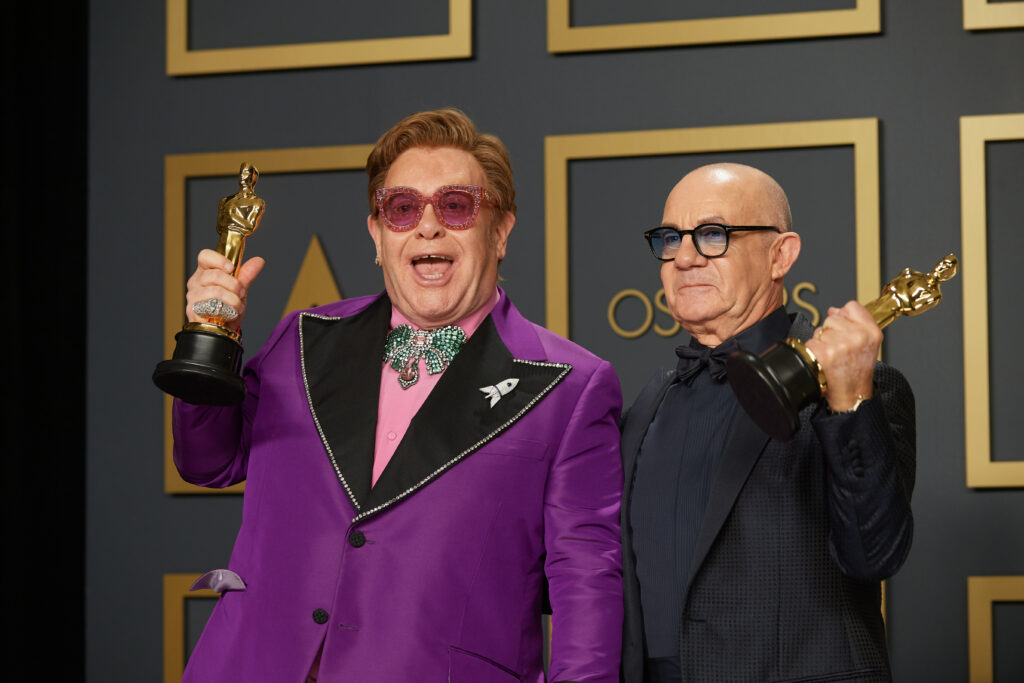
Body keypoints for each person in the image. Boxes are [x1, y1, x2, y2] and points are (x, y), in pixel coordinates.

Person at [173, 109, 623, 682]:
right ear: (378, 235)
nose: (427, 226)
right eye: (403, 208)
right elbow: (206, 462)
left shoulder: (571, 386)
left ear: (502, 230)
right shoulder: (303, 338)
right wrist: (211, 338)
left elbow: (586, 579)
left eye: (456, 205)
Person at [620, 163, 915, 682]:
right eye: (670, 239)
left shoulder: (858, 389)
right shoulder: (649, 403)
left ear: (781, 254)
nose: (684, 258)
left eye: (713, 235)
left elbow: (874, 555)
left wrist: (848, 403)